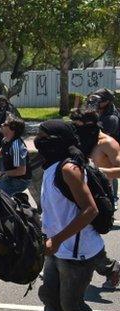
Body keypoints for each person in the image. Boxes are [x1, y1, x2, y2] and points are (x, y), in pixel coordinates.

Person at [14, 120, 117, 311]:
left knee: (71, 303)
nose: (38, 139)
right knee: (50, 297)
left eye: (44, 135)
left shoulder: (68, 169)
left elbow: (90, 210)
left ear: (57, 141)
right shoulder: (52, 165)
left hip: (78, 251)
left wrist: (57, 239)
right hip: (59, 248)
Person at [70, 108, 120, 288]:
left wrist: (98, 172)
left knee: (84, 232)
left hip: (99, 194)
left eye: (78, 125)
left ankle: (109, 267)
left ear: (90, 124)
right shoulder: (82, 139)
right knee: (73, 230)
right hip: (78, 189)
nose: (75, 129)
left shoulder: (107, 143)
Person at [0, 115, 31, 196]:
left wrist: (1, 173)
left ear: (12, 129)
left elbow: (21, 171)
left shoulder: (16, 147)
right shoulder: (5, 140)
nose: (1, 124)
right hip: (10, 176)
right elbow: (2, 151)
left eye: (5, 124)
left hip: (19, 181)